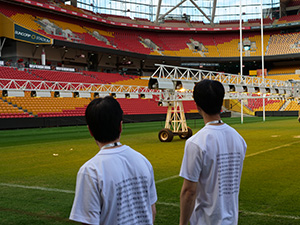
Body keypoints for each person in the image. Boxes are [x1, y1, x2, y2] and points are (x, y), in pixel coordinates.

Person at [69, 96, 157, 225]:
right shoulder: (143, 160)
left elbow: (89, 222)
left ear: (90, 130)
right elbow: (152, 211)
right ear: (120, 126)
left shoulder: (91, 171)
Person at [179, 79, 247, 225]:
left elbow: (189, 191)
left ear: (197, 106)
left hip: (206, 221)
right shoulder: (239, 139)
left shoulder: (195, 143)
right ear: (221, 102)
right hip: (231, 219)